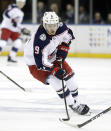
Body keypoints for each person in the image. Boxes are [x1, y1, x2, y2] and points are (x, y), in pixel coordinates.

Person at [24, 12, 90, 115]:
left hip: (52, 56)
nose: (52, 29)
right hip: (35, 65)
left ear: (58, 23)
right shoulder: (39, 39)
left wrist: (61, 55)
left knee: (71, 78)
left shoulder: (61, 27)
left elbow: (68, 37)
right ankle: (73, 105)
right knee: (57, 82)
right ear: (44, 25)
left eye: (54, 25)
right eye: (49, 26)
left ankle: (79, 102)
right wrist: (54, 69)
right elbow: (40, 62)